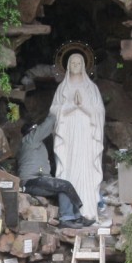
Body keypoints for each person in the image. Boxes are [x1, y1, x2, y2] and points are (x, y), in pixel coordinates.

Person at [49, 52, 105, 221]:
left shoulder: (91, 88)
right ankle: (69, 210)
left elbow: (100, 111)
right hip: (69, 137)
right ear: (67, 66)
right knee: (70, 168)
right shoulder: (62, 88)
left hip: (87, 135)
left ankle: (88, 207)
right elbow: (53, 111)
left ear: (83, 66)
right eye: (72, 63)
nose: (75, 66)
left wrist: (84, 107)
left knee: (86, 167)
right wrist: (71, 106)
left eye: (78, 63)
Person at [18, 114, 95, 229]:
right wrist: (54, 113)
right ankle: (71, 216)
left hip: (38, 179)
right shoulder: (30, 139)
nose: (38, 132)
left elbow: (39, 166)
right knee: (65, 185)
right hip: (31, 181)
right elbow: (47, 125)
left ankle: (74, 217)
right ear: (31, 131)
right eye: (35, 130)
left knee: (63, 190)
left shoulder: (33, 144)